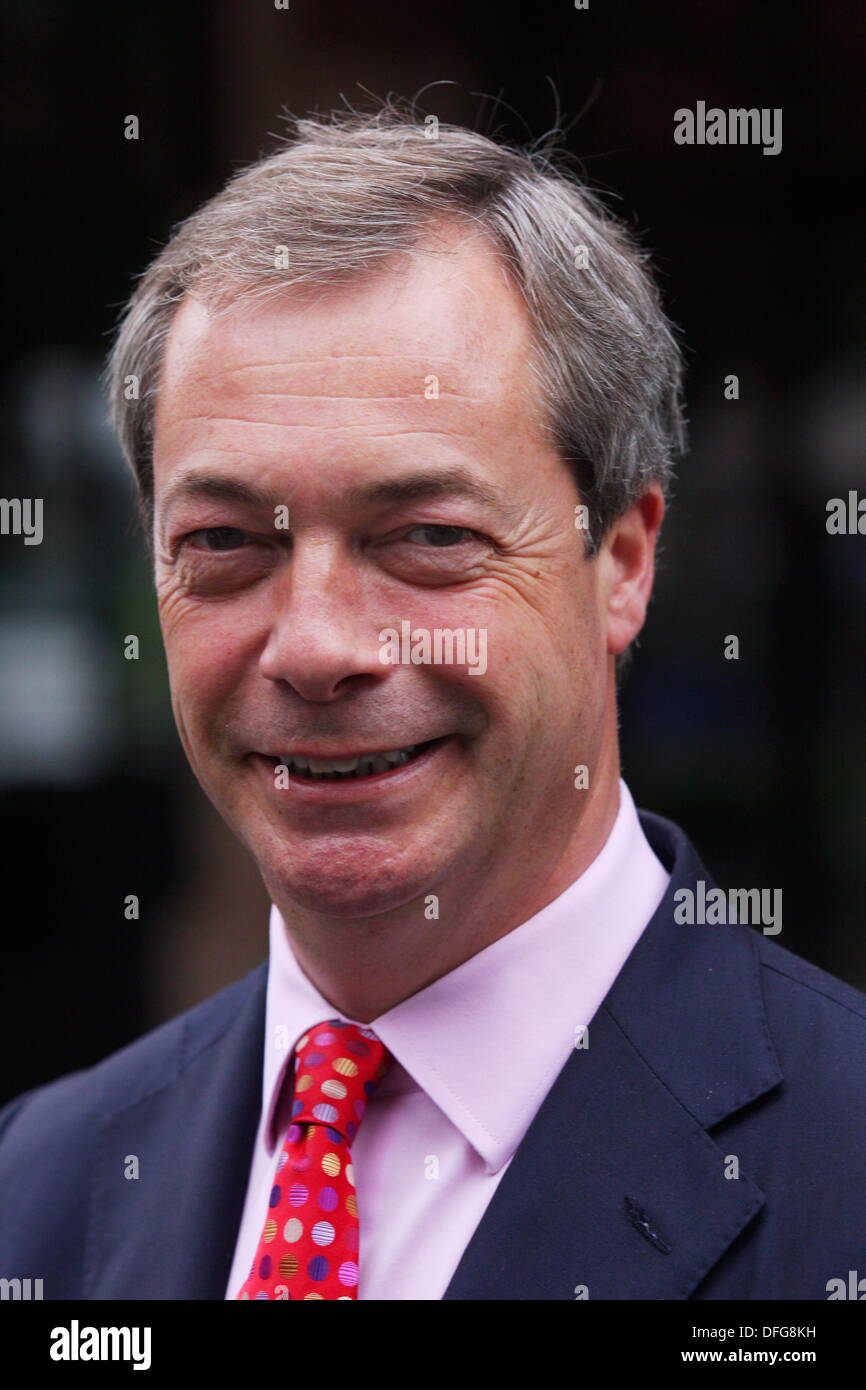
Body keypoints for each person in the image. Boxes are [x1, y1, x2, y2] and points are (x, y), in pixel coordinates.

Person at [2, 103, 865, 1302]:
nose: (313, 647)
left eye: (424, 537)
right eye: (225, 541)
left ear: (620, 561)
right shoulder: (37, 1189)